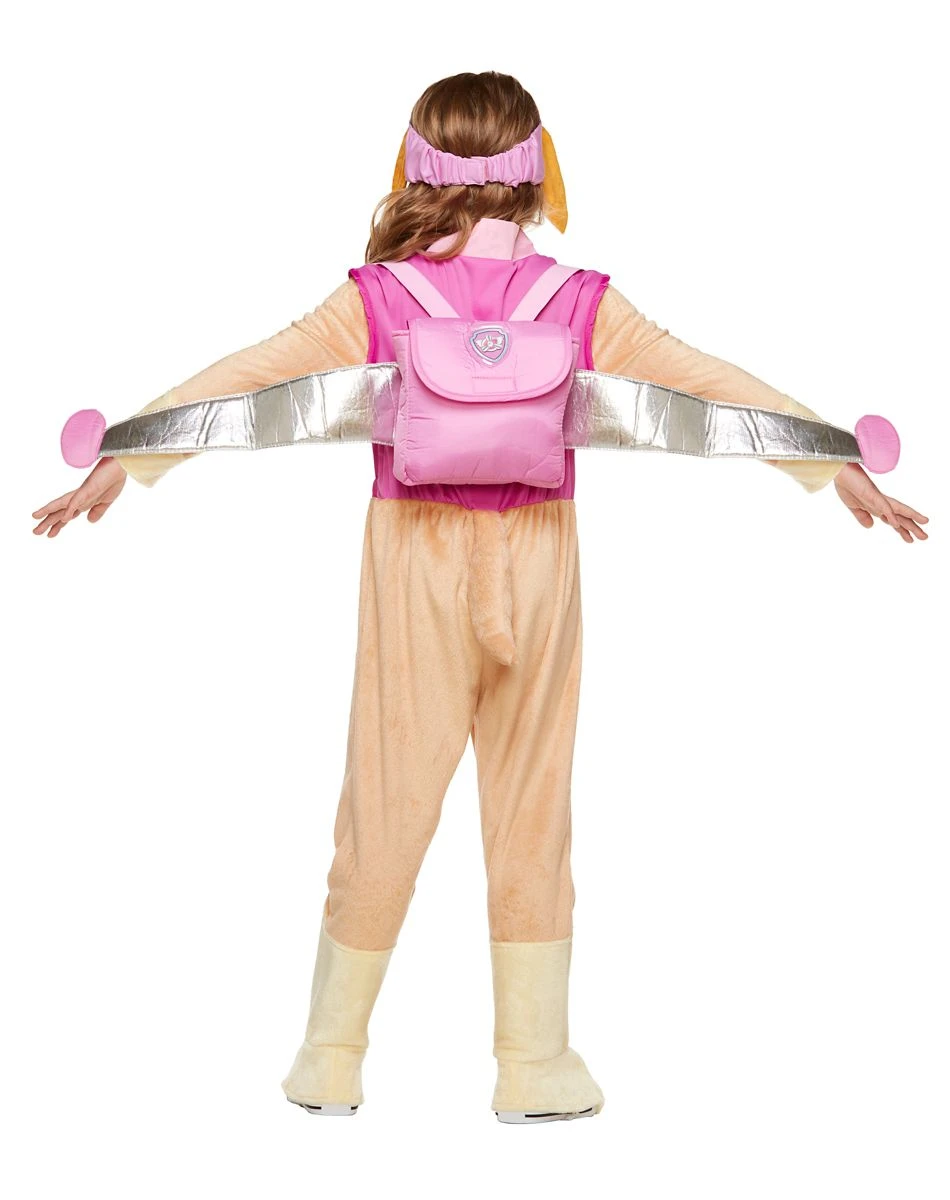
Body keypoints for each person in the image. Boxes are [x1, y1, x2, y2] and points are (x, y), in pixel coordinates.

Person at [32, 71, 929, 1124]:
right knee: (533, 812)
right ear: (538, 167)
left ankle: (329, 1056)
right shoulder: (579, 301)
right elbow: (707, 383)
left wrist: (127, 452)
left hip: (413, 560)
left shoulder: (376, 299)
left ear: (414, 166)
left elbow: (246, 379)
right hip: (539, 560)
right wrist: (830, 458)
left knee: (382, 806)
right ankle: (534, 1064)